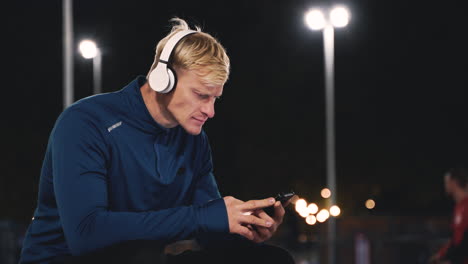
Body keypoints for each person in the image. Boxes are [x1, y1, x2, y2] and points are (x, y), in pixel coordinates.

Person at [19, 17, 295, 264]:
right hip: (66, 258)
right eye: (201, 95)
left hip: (139, 259)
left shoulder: (194, 141)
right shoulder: (85, 122)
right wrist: (205, 217)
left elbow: (210, 230)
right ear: (163, 79)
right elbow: (86, 233)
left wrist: (244, 227)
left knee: (271, 259)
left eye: (215, 99)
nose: (210, 112)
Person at [430, 166, 468, 264]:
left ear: (454, 182)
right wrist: (440, 254)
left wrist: (452, 261)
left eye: (447, 181)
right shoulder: (458, 207)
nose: (445, 185)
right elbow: (455, 239)